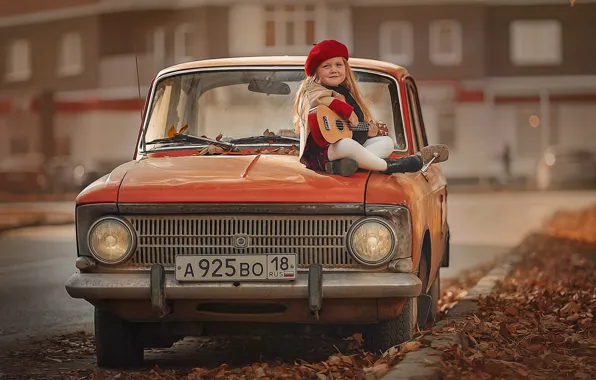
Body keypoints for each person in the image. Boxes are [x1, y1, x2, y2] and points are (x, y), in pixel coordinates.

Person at [293, 39, 423, 177]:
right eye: (326, 66)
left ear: (345, 69)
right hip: (321, 154)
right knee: (347, 145)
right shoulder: (312, 90)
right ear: (315, 73)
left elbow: (347, 129)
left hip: (344, 151)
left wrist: (366, 131)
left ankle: (344, 166)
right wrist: (347, 111)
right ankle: (388, 166)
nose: (334, 70)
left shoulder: (346, 93)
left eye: (338, 65)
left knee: (386, 142)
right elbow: (319, 100)